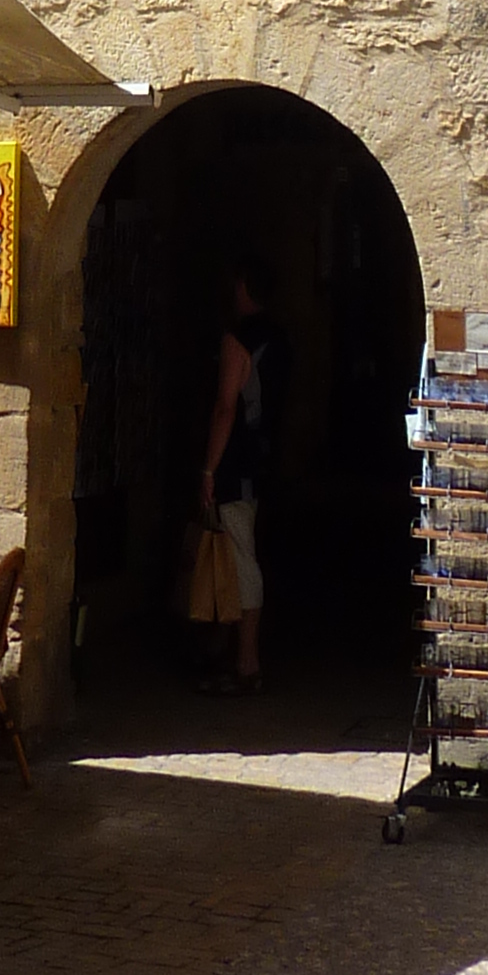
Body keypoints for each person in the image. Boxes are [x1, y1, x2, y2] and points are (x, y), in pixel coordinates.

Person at [198, 253, 288, 693]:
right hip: (268, 457)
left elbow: (225, 407)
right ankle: (226, 650)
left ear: (243, 289)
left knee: (239, 556)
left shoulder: (239, 340)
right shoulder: (280, 338)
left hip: (238, 461)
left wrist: (210, 469)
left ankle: (245, 662)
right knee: (244, 550)